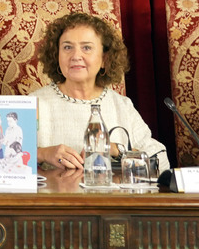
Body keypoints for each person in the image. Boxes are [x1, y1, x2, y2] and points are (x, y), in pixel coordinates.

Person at [30, 12, 169, 170]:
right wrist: (41, 154)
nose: (76, 56)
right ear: (56, 56)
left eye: (86, 48)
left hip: (112, 194)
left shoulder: (121, 105)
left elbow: (161, 162)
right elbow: (0, 163)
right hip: (53, 194)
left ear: (104, 59)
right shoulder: (35, 103)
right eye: (67, 47)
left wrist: (116, 149)